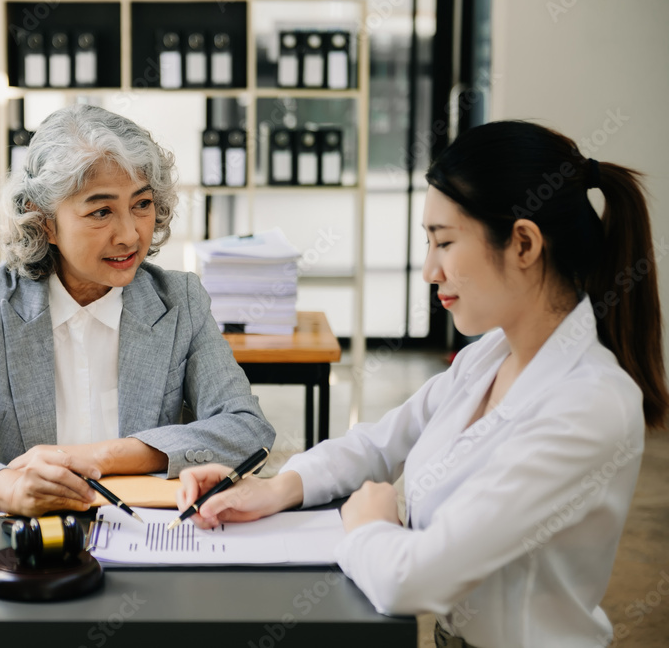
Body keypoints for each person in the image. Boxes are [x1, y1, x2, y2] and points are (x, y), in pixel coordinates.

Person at [176, 120, 667, 647]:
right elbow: (378, 441)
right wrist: (276, 489)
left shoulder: (589, 405)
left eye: (445, 242)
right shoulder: (488, 359)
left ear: (523, 243)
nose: (431, 270)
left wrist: (368, 523)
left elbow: (414, 579)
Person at [0, 104, 274, 516]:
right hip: (19, 547)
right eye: (101, 211)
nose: (129, 234)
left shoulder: (179, 300)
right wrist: (8, 489)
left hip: (143, 538)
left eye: (142, 204)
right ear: (44, 224)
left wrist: (104, 457)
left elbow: (247, 430)